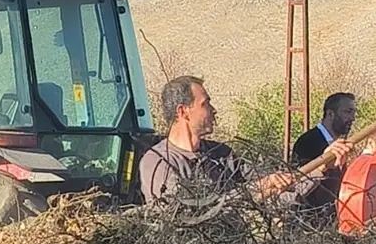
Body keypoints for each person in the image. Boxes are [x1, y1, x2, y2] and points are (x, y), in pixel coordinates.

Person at [140, 75, 351, 206]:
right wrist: (257, 190)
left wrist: (322, 167)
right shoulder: (159, 162)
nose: (214, 110)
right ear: (183, 111)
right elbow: (188, 215)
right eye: (205, 104)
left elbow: (279, 190)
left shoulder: (222, 154)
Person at [290, 92, 357, 220]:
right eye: (348, 112)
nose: (352, 118)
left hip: (331, 223)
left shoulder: (339, 144)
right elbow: (299, 185)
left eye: (354, 112)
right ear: (331, 114)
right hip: (309, 224)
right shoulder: (308, 142)